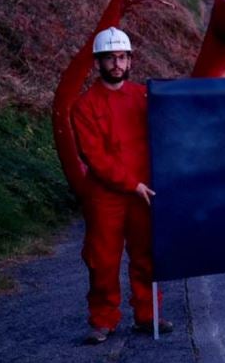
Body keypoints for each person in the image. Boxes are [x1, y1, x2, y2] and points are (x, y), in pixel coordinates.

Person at [71, 27, 171, 344]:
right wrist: (132, 183)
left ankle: (147, 316)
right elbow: (95, 157)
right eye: (110, 58)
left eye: (122, 57)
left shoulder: (145, 96)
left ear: (130, 61)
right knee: (103, 259)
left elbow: (170, 132)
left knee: (146, 257)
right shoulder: (84, 105)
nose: (117, 63)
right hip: (106, 195)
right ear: (98, 62)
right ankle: (103, 320)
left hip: (146, 193)